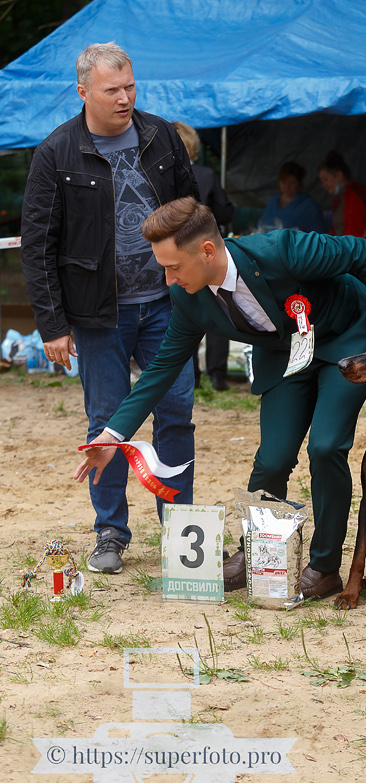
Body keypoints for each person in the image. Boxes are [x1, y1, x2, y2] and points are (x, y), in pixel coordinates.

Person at [73, 197, 366, 601]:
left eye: (173, 267)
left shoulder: (283, 251)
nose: (167, 280)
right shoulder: (189, 298)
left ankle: (324, 568)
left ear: (207, 251)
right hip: (286, 357)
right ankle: (258, 554)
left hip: (345, 340)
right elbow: (162, 367)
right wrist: (113, 437)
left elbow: (358, 251)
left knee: (325, 446)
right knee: (272, 458)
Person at [22, 42, 200, 575]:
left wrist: (205, 289)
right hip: (98, 313)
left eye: (130, 87)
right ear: (83, 92)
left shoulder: (161, 134)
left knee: (177, 412)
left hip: (169, 305)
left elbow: (193, 212)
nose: (124, 98)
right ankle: (110, 532)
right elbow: (38, 243)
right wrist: (52, 325)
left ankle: (180, 527)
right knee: (105, 422)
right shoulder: (56, 152)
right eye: (111, 90)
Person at [171, 121, 236, 391]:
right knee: (219, 311)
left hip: (175, 255)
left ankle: (192, 377)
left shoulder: (161, 177)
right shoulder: (206, 175)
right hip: (207, 252)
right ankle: (217, 374)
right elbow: (224, 213)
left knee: (183, 314)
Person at [317, 150, 366, 256]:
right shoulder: (340, 200)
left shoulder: (356, 192)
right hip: (349, 255)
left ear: (339, 176)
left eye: (325, 179)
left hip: (364, 255)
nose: (324, 185)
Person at [259, 161, 327, 234]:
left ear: (300, 183)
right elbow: (261, 226)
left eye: (292, 183)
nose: (287, 187)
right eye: (283, 182)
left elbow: (318, 235)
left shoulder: (309, 205)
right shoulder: (273, 201)